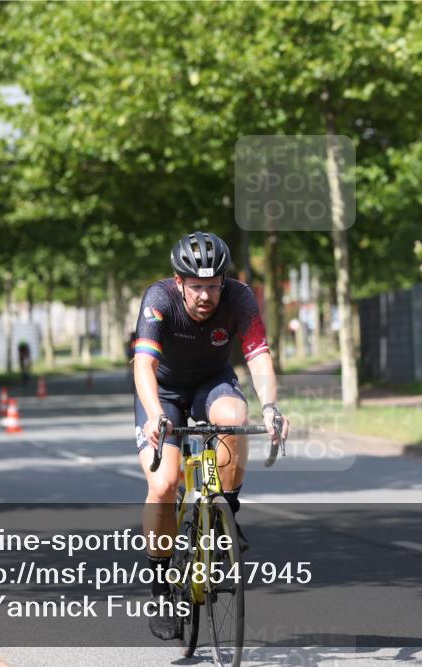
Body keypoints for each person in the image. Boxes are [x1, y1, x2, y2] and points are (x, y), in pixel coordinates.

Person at [133, 231, 289, 640]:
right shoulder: (159, 299)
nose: (206, 296)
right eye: (197, 287)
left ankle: (225, 515)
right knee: (165, 483)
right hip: (163, 393)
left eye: (213, 287)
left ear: (225, 281)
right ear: (179, 281)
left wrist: (271, 408)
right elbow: (143, 365)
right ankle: (162, 586)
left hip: (212, 383)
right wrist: (153, 416)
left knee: (235, 416)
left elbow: (258, 355)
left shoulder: (240, 298)